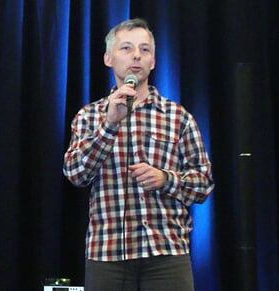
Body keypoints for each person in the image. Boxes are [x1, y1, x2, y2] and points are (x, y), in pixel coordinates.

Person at [63, 18, 214, 291]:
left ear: (153, 62)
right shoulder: (89, 116)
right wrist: (109, 125)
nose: (136, 55)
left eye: (145, 50)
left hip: (166, 252)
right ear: (108, 58)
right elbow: (76, 174)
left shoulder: (177, 116)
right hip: (107, 253)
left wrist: (165, 179)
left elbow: (203, 183)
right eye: (127, 48)